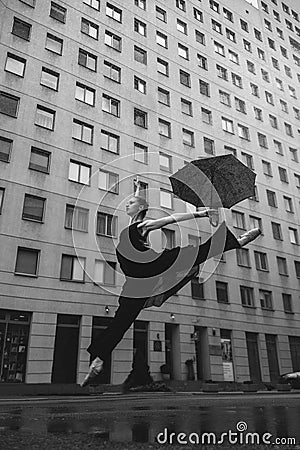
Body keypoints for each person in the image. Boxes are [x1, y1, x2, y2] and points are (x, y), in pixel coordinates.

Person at [81, 181, 261, 387]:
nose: (126, 205)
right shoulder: (132, 223)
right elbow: (138, 207)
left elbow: (171, 218)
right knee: (120, 321)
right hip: (136, 281)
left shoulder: (143, 225)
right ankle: (98, 360)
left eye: (130, 202)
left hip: (150, 265)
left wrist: (200, 214)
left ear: (139, 209)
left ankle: (234, 242)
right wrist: (138, 188)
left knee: (186, 254)